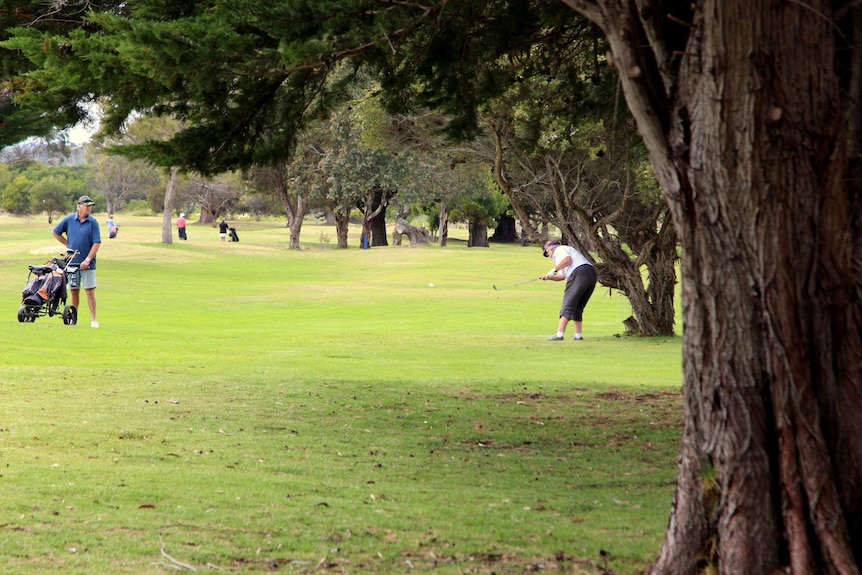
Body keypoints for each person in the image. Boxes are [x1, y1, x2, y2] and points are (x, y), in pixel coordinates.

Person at [53, 195, 101, 328]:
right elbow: (55, 232)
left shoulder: (93, 222)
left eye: (90, 206)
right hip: (72, 262)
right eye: (87, 206)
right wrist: (67, 245)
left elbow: (96, 243)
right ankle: (74, 318)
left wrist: (88, 259)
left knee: (89, 290)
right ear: (79, 206)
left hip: (88, 263)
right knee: (74, 290)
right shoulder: (69, 220)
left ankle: (93, 320)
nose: (89, 208)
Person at [541, 240, 597, 341]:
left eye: (547, 253)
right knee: (577, 306)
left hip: (579, 273)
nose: (548, 255)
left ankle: (559, 334)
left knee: (568, 303)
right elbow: (562, 276)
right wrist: (549, 277)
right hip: (591, 274)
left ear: (551, 249)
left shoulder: (560, 250)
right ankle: (578, 335)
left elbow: (567, 260)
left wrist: (554, 270)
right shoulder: (560, 258)